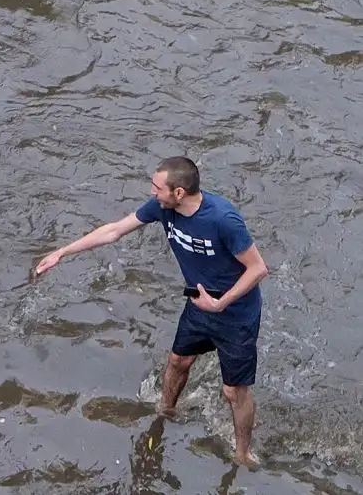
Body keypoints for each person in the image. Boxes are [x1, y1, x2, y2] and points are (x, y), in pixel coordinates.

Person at [34, 157, 268, 467]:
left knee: (233, 392)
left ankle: (243, 454)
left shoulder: (223, 219)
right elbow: (114, 230)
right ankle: (166, 411)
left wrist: (221, 303)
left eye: (158, 187)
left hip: (236, 312)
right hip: (199, 304)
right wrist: (61, 252)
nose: (152, 192)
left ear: (179, 192)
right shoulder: (162, 207)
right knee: (178, 360)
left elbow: (258, 268)